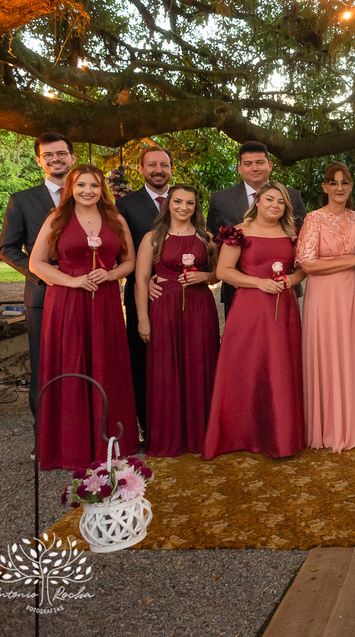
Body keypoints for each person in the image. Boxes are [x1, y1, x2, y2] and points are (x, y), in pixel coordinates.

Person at [28, 165, 139, 470]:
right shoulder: (57, 219)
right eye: (81, 185)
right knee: (72, 365)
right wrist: (73, 280)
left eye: (94, 185)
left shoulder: (115, 219)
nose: (87, 191)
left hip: (104, 302)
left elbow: (129, 260)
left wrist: (112, 273)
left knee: (107, 364)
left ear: (102, 188)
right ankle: (71, 446)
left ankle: (110, 442)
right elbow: (37, 264)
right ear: (71, 189)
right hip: (66, 301)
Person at [203, 182, 306, 459]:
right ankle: (242, 433)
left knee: (280, 368)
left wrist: (291, 280)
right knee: (247, 368)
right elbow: (224, 271)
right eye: (269, 199)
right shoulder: (239, 232)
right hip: (249, 308)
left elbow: (301, 271)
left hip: (283, 307)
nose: (275, 205)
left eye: (281, 202)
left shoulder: (291, 234)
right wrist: (259, 284)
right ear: (257, 201)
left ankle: (280, 436)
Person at [296, 163, 355, 452]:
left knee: (352, 350)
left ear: (352, 186)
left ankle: (353, 424)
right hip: (323, 295)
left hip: (352, 293)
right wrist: (353, 260)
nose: (340, 188)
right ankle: (326, 426)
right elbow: (307, 264)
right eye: (334, 182)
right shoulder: (313, 219)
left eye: (345, 183)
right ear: (325, 187)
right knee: (327, 352)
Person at [134, 184, 220, 457]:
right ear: (168, 204)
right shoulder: (153, 238)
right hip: (164, 307)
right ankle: (168, 436)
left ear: (196, 207)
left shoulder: (206, 237)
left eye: (190, 203)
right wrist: (143, 319)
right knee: (166, 369)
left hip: (199, 307)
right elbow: (139, 280)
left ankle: (200, 434)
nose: (184, 207)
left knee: (199, 365)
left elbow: (219, 273)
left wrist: (205, 277)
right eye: (178, 202)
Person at [0, 132, 76, 414]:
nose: (55, 159)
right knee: (44, 367)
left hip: (85, 292)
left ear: (73, 157)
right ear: (39, 161)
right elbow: (6, 247)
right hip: (43, 295)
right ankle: (43, 443)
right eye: (48, 155)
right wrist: (40, 273)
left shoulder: (90, 194)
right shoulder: (22, 200)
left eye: (61, 153)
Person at [206, 141, 308, 317]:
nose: (255, 168)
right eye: (248, 163)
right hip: (238, 292)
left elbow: (302, 239)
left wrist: (292, 278)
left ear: (270, 165)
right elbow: (213, 241)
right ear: (239, 168)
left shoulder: (293, 196)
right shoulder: (221, 200)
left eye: (260, 162)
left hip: (283, 290)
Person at [116, 144, 174, 435]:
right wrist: (146, 276)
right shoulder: (125, 206)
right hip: (141, 292)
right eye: (152, 165)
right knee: (142, 360)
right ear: (141, 169)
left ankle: (176, 418)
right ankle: (146, 424)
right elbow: (119, 250)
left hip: (176, 291)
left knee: (175, 357)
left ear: (171, 169)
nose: (158, 170)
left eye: (163, 165)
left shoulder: (183, 199)